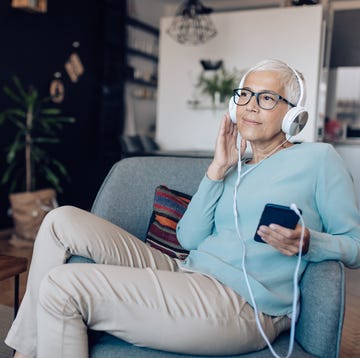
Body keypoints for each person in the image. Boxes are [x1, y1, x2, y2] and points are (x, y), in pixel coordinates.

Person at [6, 59, 360, 358]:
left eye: (267, 98)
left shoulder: (318, 160)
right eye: (245, 95)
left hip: (242, 305)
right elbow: (187, 237)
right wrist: (217, 169)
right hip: (186, 270)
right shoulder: (236, 165)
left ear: (292, 114)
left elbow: (355, 244)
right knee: (59, 219)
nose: (250, 106)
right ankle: (25, 351)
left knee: (64, 285)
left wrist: (311, 243)